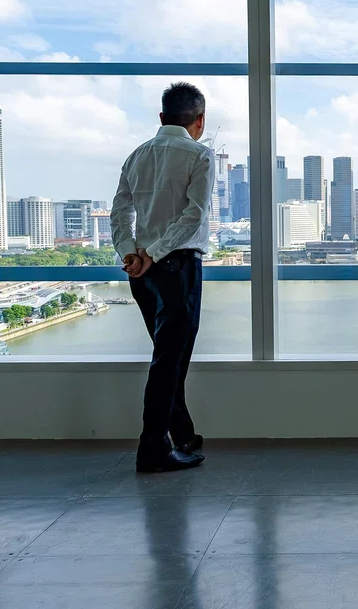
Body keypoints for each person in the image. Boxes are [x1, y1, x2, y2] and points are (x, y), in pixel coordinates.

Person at [111, 82, 215, 473]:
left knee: (168, 356)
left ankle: (181, 433)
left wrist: (131, 254)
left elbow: (120, 213)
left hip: (141, 272)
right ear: (199, 120)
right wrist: (154, 254)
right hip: (176, 266)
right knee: (169, 361)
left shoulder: (136, 155)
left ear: (161, 117)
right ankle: (153, 447)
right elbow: (194, 215)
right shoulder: (200, 155)